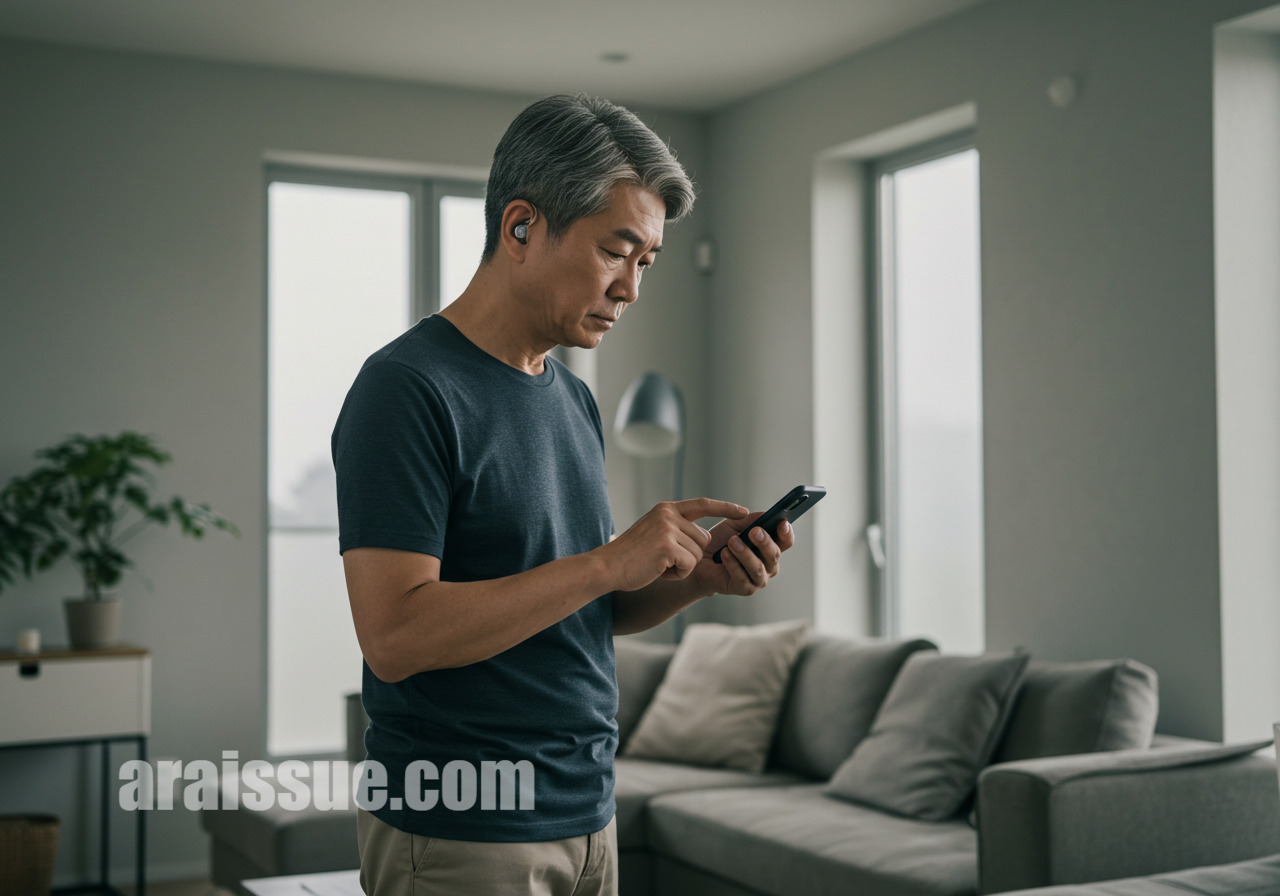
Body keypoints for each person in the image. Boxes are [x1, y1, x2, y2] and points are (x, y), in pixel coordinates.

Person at [331, 93, 795, 896]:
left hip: (587, 818)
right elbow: (395, 636)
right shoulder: (404, 390)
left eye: (646, 262)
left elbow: (582, 612)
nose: (631, 289)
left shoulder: (570, 399)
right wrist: (609, 562)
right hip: (462, 830)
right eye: (618, 251)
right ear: (521, 227)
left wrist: (697, 580)